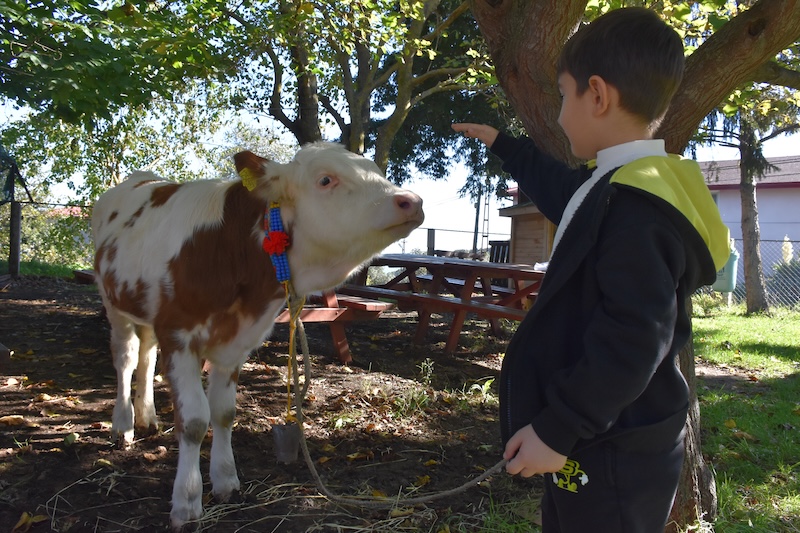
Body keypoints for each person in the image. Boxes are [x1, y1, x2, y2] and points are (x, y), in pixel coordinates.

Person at [453, 7, 730, 532]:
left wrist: (558, 429)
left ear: (597, 95)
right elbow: (564, 192)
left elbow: (633, 337)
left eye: (563, 96)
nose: (557, 115)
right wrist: (502, 143)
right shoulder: (615, 185)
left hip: (616, 448)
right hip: (601, 436)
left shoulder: (636, 208)